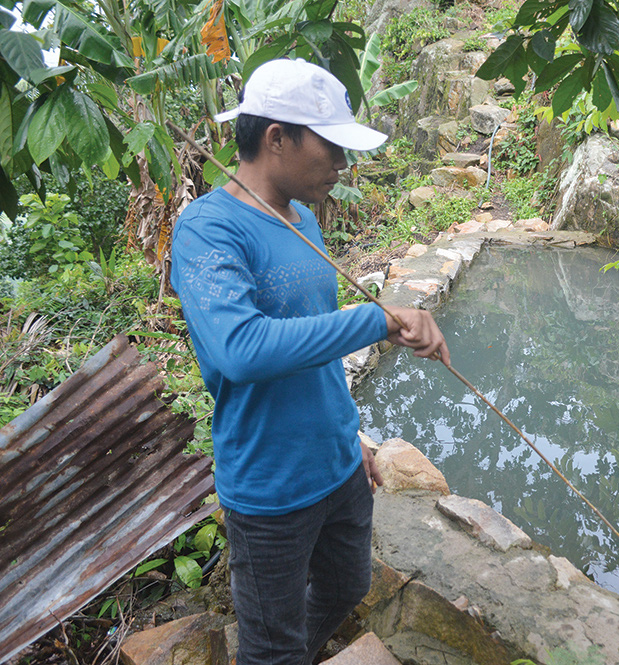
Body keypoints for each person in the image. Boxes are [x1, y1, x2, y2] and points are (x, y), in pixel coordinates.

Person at [169, 58, 450, 665]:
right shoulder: (207, 229)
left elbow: (310, 344)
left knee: (348, 586)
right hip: (271, 489)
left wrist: (353, 437)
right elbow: (240, 350)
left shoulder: (302, 222)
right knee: (271, 648)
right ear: (276, 138)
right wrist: (377, 317)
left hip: (340, 465)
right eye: (332, 148)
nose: (342, 166)